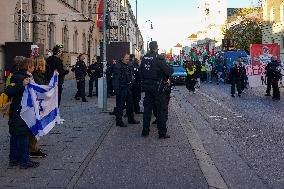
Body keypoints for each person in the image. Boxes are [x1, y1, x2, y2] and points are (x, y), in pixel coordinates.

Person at [5, 58, 40, 169]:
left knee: (16, 134)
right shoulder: (18, 77)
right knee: (21, 135)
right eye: (33, 66)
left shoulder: (26, 76)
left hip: (20, 110)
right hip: (19, 111)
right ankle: (24, 162)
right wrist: (22, 84)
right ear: (28, 67)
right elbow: (9, 91)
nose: (34, 68)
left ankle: (14, 159)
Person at [140, 41, 173, 139]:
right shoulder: (159, 58)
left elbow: (141, 72)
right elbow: (169, 72)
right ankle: (162, 133)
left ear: (149, 47)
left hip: (147, 88)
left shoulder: (144, 58)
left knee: (147, 111)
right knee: (161, 111)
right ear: (156, 47)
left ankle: (145, 131)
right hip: (158, 89)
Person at [112, 53, 140, 127]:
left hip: (128, 88)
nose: (128, 60)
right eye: (126, 59)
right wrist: (116, 90)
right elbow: (115, 79)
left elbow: (131, 75)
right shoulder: (118, 66)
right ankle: (119, 121)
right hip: (121, 88)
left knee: (130, 105)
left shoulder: (129, 65)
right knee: (120, 106)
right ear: (122, 59)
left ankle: (131, 119)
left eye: (128, 59)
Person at [29, 57, 48, 158]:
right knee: (34, 125)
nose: (43, 65)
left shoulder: (38, 73)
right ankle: (32, 149)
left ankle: (33, 147)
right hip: (35, 104)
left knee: (36, 125)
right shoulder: (35, 74)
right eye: (42, 63)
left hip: (38, 103)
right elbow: (40, 87)